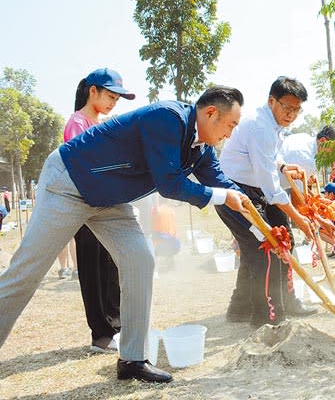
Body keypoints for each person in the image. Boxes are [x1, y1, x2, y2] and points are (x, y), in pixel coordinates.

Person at [0, 85, 249, 383]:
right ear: (211, 113)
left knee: (140, 261)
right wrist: (221, 197)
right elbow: (171, 184)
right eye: (231, 125)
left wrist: (255, 211)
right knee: (28, 269)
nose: (230, 134)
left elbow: (222, 184)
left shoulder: (202, 150)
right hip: (71, 182)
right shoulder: (168, 118)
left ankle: (132, 359)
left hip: (110, 198)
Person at [217, 76, 329, 328]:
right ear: (271, 101)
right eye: (286, 108)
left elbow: (271, 155)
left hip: (251, 190)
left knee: (263, 246)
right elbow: (272, 188)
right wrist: (299, 218)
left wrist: (281, 164)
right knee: (267, 247)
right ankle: (269, 318)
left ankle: (242, 309)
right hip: (236, 192)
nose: (291, 114)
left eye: (296, 110)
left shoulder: (271, 124)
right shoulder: (260, 127)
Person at [65, 68, 127, 353]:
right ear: (93, 92)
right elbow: (83, 166)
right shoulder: (77, 123)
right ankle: (101, 334)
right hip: (86, 208)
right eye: (110, 96)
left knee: (112, 265)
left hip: (109, 206)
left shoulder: (106, 124)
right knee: (92, 270)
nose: (114, 102)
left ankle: (117, 325)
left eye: (117, 98)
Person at [279, 125, 335, 205]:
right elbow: (298, 196)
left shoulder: (305, 137)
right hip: (271, 187)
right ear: (323, 141)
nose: (334, 154)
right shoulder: (307, 159)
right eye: (334, 150)